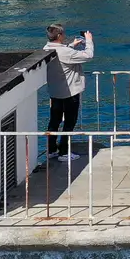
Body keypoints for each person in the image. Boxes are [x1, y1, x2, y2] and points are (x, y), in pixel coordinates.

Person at [43, 24, 95, 159]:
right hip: (70, 92)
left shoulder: (46, 49)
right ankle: (64, 152)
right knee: (69, 122)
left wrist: (71, 45)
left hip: (54, 92)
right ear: (59, 35)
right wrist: (88, 40)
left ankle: (51, 150)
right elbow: (88, 56)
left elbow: (63, 54)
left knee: (54, 121)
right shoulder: (66, 52)